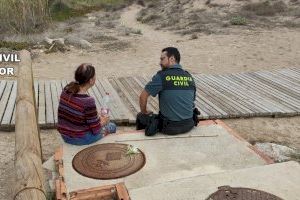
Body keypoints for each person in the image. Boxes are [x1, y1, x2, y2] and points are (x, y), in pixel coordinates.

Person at [136, 47, 200, 136]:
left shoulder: (161, 76)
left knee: (141, 116)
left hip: (169, 128)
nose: (160, 63)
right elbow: (192, 102)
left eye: (162, 59)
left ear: (172, 59)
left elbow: (143, 96)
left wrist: (144, 112)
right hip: (189, 124)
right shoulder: (189, 77)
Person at [57, 63, 116, 145]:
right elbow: (96, 129)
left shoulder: (67, 88)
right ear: (91, 80)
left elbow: (78, 113)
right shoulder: (88, 101)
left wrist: (96, 116)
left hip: (65, 135)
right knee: (112, 126)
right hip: (80, 138)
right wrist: (105, 121)